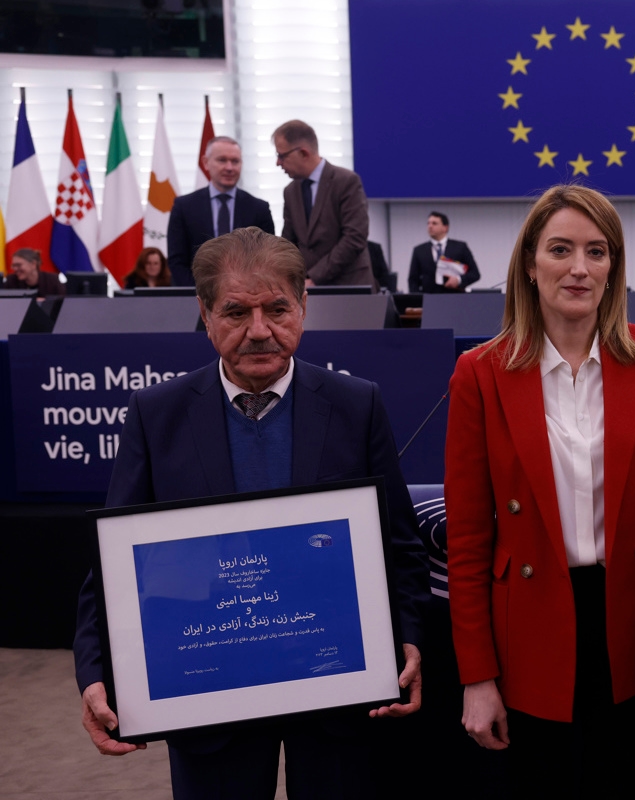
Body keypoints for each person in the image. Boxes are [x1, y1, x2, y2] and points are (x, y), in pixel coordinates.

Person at [73, 227, 428, 798]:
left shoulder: (356, 405)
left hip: (338, 692)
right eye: (236, 312)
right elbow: (113, 568)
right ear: (205, 313)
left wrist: (408, 639)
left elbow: (401, 547)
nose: (259, 331)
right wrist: (94, 671)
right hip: (211, 699)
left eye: (278, 309)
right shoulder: (155, 414)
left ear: (304, 306)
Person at [446, 185, 635, 798]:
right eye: (561, 249)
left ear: (614, 268)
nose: (579, 268)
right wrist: (477, 677)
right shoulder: (479, 374)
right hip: (530, 630)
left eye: (597, 251)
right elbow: (469, 541)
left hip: (631, 623)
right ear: (530, 265)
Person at [275, 119, 375, 288]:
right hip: (307, 289)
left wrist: (315, 278)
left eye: (282, 155)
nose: (278, 163)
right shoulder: (290, 191)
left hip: (349, 287)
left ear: (304, 153)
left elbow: (354, 238)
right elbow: (288, 243)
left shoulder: (347, 181)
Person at [165, 135, 275, 287]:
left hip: (247, 296)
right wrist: (203, 293)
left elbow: (265, 260)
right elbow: (177, 261)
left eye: (235, 161)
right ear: (206, 162)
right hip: (195, 297)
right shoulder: (183, 207)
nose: (229, 167)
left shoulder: (259, 209)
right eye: (222, 160)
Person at [409, 211, 481, 293]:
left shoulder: (460, 247)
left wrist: (458, 280)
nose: (430, 226)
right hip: (429, 299)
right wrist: (416, 300)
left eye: (434, 223)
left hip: (455, 298)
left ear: (445, 228)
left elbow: (475, 274)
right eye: (428, 223)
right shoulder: (419, 250)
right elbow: (413, 280)